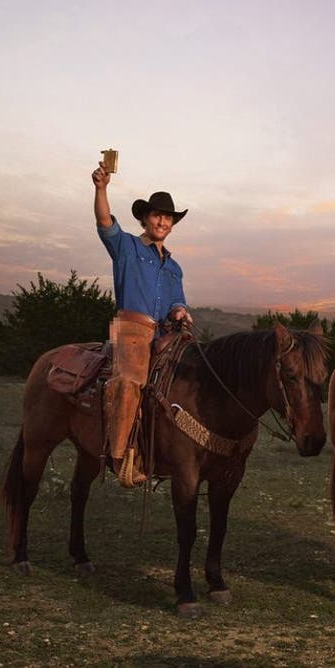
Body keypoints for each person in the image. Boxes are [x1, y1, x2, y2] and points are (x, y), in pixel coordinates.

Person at [92, 160, 194, 487]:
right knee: (130, 380)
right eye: (156, 215)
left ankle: (177, 451)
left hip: (165, 334)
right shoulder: (127, 247)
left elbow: (177, 299)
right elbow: (105, 221)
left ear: (173, 224)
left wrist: (180, 311)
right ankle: (121, 458)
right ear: (145, 218)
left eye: (168, 217)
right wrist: (101, 189)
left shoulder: (175, 267)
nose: (162, 221)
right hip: (132, 330)